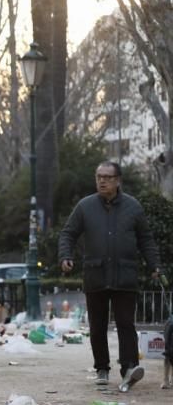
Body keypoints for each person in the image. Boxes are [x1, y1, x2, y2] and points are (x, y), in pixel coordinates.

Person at [58, 160, 160, 391]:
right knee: (97, 326)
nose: (102, 181)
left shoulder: (133, 207)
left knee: (126, 324)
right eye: (99, 177)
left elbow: (146, 240)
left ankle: (130, 368)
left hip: (126, 275)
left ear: (118, 180)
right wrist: (65, 256)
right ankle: (102, 368)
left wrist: (155, 265)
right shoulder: (85, 206)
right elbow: (68, 233)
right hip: (95, 275)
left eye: (107, 177)